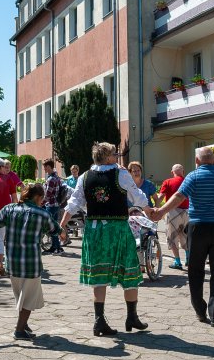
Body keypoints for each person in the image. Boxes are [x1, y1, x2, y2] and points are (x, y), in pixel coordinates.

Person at [60, 142, 148, 336]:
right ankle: (131, 317)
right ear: (107, 157)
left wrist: (63, 224)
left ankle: (99, 320)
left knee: (98, 275)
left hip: (94, 231)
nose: (117, 157)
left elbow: (74, 203)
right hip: (117, 230)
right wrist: (149, 209)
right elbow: (138, 198)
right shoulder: (121, 174)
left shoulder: (84, 176)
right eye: (115, 154)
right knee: (129, 271)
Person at [0, 183, 60, 340]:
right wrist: (62, 232)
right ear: (37, 197)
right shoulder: (42, 214)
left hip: (12, 263)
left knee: (21, 296)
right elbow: (55, 229)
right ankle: (19, 330)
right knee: (29, 298)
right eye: (41, 198)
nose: (42, 201)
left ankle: (24, 324)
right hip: (31, 264)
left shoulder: (9, 209)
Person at [150, 146, 214, 328]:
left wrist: (161, 211)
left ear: (197, 161)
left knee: (195, 270)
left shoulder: (193, 176)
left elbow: (179, 196)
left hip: (199, 227)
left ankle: (200, 311)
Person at [158, 164, 189, 270]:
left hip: (172, 211)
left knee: (172, 237)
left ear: (172, 172)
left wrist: (155, 208)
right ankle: (188, 258)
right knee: (185, 236)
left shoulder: (168, 182)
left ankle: (177, 261)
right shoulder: (188, 181)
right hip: (187, 212)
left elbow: (161, 197)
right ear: (183, 172)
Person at [41, 160, 65, 255]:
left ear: (49, 167)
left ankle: (57, 248)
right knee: (53, 226)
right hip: (56, 205)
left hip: (51, 205)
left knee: (51, 227)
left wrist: (40, 204)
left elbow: (48, 195)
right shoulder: (56, 177)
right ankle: (55, 247)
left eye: (45, 167)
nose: (44, 169)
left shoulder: (51, 179)